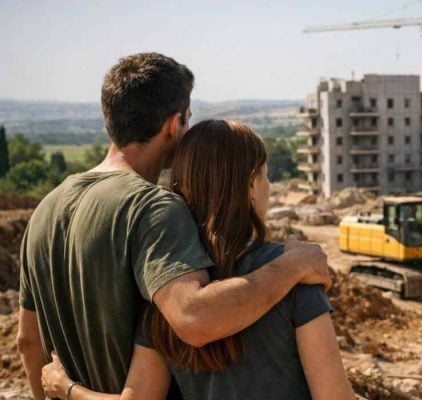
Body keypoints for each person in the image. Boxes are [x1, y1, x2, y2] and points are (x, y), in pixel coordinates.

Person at [16, 53, 331, 399]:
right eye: (188, 120)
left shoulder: (45, 210)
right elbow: (194, 319)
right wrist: (291, 265)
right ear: (173, 124)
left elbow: (28, 341)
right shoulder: (154, 207)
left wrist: (61, 389)